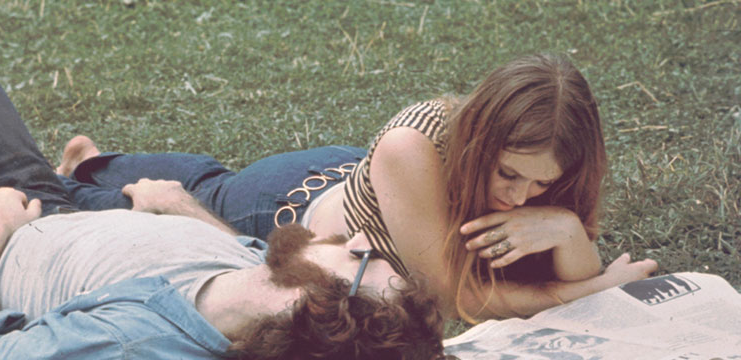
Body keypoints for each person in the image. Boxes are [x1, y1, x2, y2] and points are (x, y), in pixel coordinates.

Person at [0, 8, 459, 360]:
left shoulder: (135, 347)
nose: (360, 239)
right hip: (46, 203)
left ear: (323, 308)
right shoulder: (260, 282)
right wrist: (181, 208)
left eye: (364, 260)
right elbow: (241, 252)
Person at [56, 57, 658, 322]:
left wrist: (566, 228)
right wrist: (578, 294)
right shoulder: (413, 145)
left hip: (363, 182)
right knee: (201, 195)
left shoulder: (549, 165)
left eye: (542, 184)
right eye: (508, 174)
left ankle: (94, 158)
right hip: (286, 206)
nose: (522, 198)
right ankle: (82, 181)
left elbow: (578, 264)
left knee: (209, 177)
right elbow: (455, 299)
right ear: (478, 141)